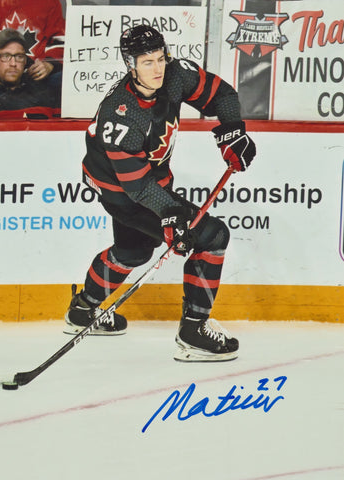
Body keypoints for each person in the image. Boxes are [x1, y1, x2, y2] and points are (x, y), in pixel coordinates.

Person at [64, 25, 256, 362]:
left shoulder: (175, 74)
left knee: (134, 250)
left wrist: (231, 131)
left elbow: (221, 94)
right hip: (122, 190)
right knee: (211, 237)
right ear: (130, 65)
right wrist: (171, 214)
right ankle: (193, 331)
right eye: (147, 62)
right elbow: (137, 187)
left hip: (147, 182)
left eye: (160, 58)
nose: (157, 69)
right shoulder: (120, 114)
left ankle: (83, 309)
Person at [0, 0, 65, 91]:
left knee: (63, 80)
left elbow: (59, 38)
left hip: (34, 73)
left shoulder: (49, 2)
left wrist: (49, 64)